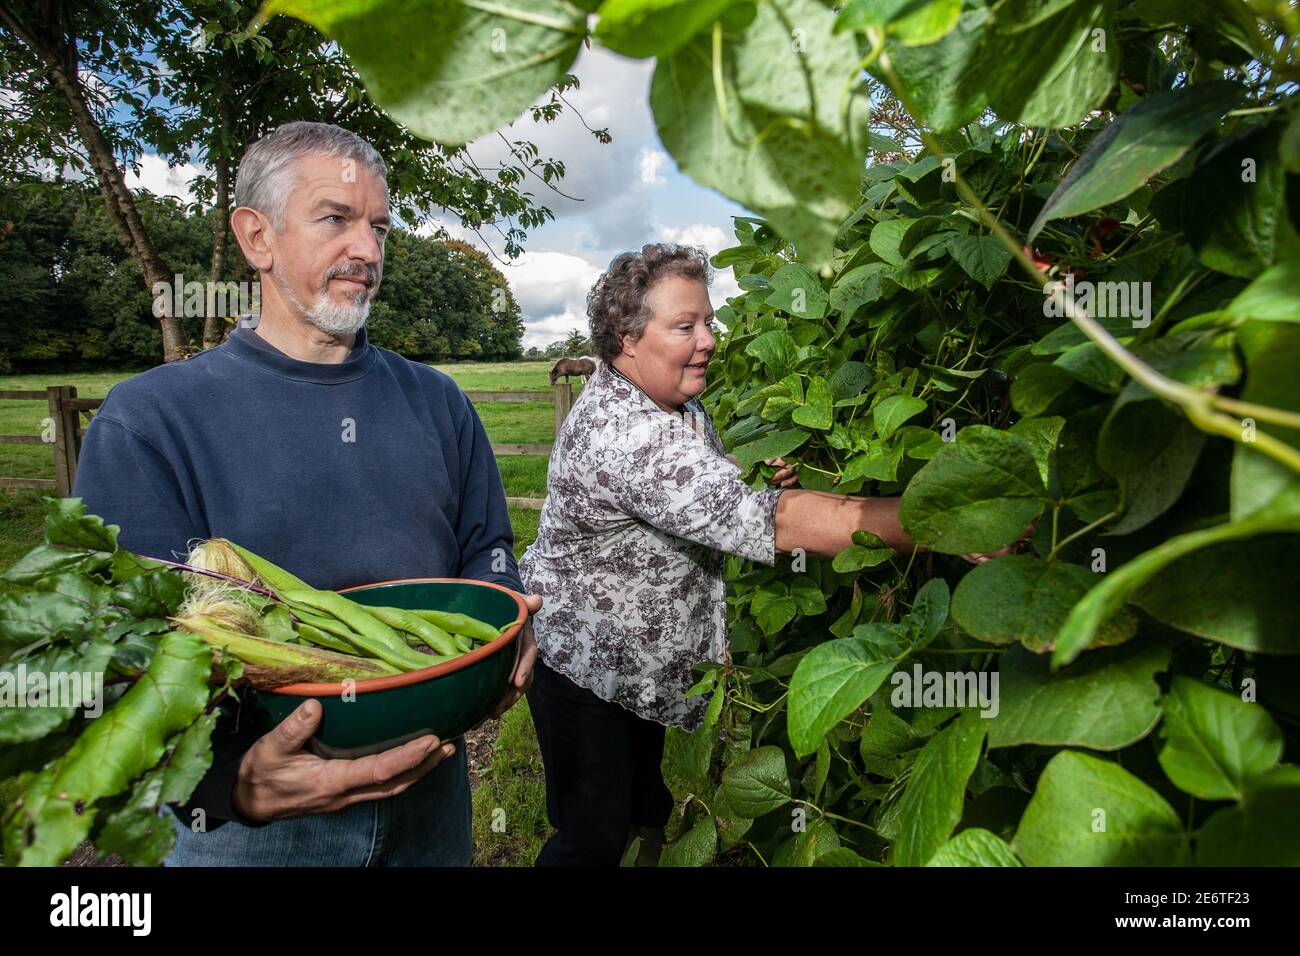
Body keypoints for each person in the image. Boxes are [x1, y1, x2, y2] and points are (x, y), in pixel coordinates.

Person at [72, 121, 539, 866]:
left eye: (380, 227)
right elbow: (125, 654)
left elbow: (487, 544)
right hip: (253, 835)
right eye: (336, 219)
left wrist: (503, 620)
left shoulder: (437, 401)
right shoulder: (149, 421)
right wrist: (233, 786)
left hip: (430, 797)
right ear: (256, 237)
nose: (368, 251)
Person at [518, 243, 1022, 866]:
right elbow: (775, 522)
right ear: (626, 338)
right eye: (685, 326)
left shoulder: (663, 395)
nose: (708, 339)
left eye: (707, 320)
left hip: (632, 664)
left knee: (642, 802)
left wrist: (745, 475)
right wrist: (944, 519)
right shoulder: (627, 435)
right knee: (589, 835)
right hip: (582, 663)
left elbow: (701, 480)